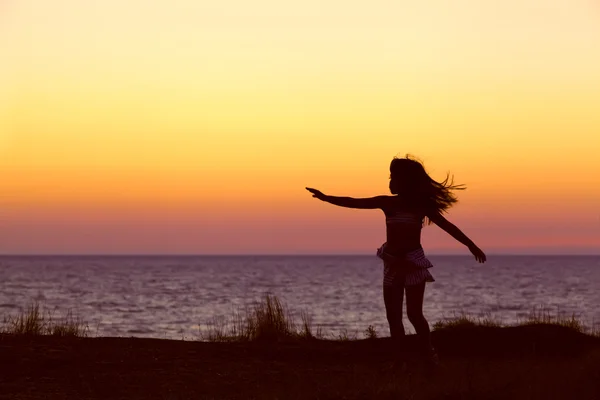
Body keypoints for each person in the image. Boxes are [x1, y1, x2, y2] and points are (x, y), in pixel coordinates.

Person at [306, 155, 486, 365]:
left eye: (394, 177)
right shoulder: (387, 203)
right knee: (393, 316)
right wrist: (326, 197)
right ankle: (399, 360)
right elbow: (354, 202)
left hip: (412, 263)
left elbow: (449, 227)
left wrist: (471, 245)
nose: (390, 181)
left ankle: (428, 354)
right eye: (390, 177)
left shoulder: (421, 207)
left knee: (414, 314)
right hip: (392, 263)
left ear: (406, 181)